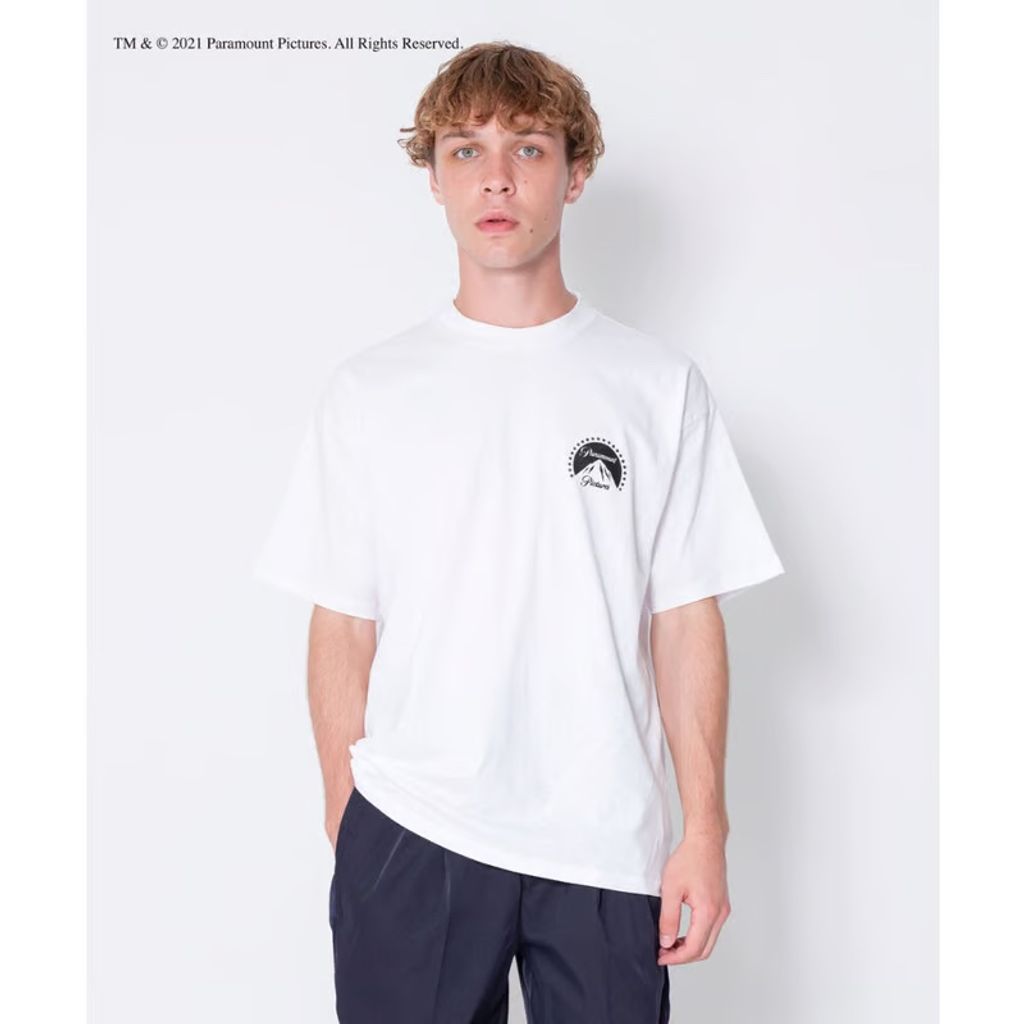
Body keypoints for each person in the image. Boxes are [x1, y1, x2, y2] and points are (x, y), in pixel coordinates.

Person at [252, 39, 785, 1024]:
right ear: (435, 177)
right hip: (414, 825)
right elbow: (344, 622)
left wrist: (704, 830)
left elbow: (683, 617)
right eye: (466, 150)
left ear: (575, 175)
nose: (496, 178)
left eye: (529, 148)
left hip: (603, 837)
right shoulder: (370, 392)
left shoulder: (655, 387)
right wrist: (350, 817)